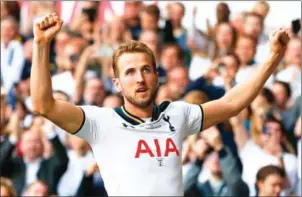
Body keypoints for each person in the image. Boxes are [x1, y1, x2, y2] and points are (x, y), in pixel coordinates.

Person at [30, 13, 289, 196]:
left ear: (156, 76)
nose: (139, 78)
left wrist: (273, 58)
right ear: (117, 83)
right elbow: (44, 105)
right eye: (130, 72)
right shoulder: (100, 122)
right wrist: (41, 45)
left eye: (146, 70)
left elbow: (231, 104)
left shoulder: (177, 114)